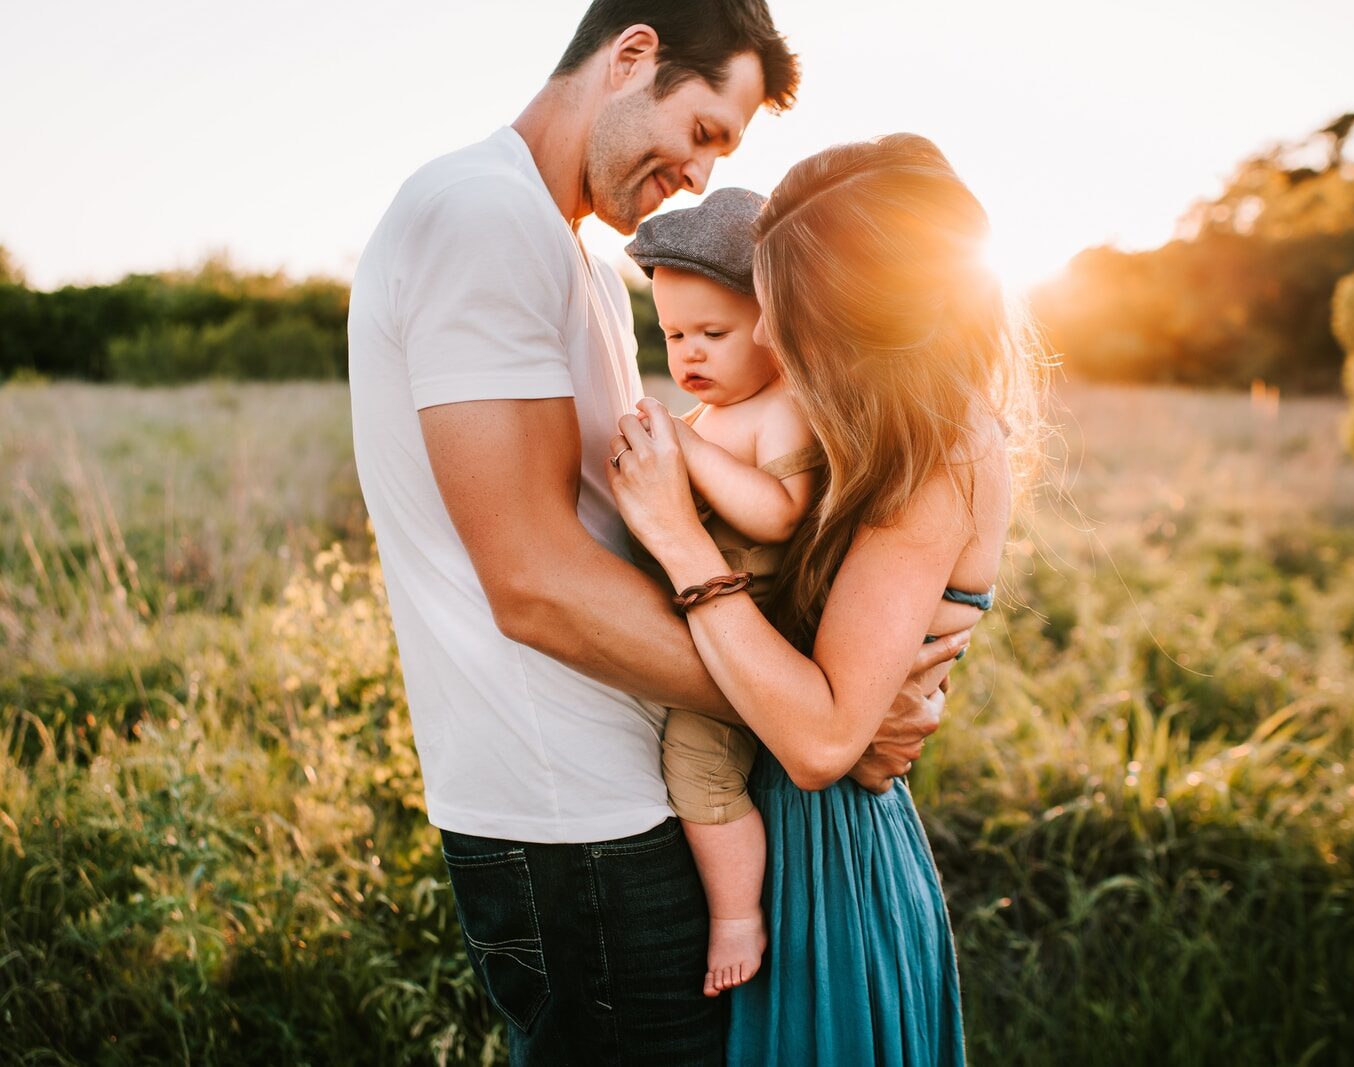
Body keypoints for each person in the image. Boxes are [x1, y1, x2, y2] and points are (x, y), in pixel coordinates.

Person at [346, 3, 969, 1063]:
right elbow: (534, 581)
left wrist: (842, 683)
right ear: (632, 57)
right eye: (704, 132)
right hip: (573, 817)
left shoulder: (579, 261)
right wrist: (824, 719)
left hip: (639, 794)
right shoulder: (478, 215)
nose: (698, 174)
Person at [606, 133, 1043, 1065]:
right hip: (777, 830)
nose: (767, 335)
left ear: (870, 315)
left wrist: (680, 540)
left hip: (827, 861)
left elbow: (820, 741)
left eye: (788, 309)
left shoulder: (940, 450)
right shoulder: (865, 423)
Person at [622, 187, 823, 997]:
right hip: (702, 626)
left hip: (752, 643)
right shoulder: (713, 412)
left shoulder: (782, 409)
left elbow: (779, 514)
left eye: (713, 333)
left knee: (697, 768)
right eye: (674, 335)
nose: (690, 355)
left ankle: (737, 913)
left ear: (774, 327)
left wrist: (686, 451)